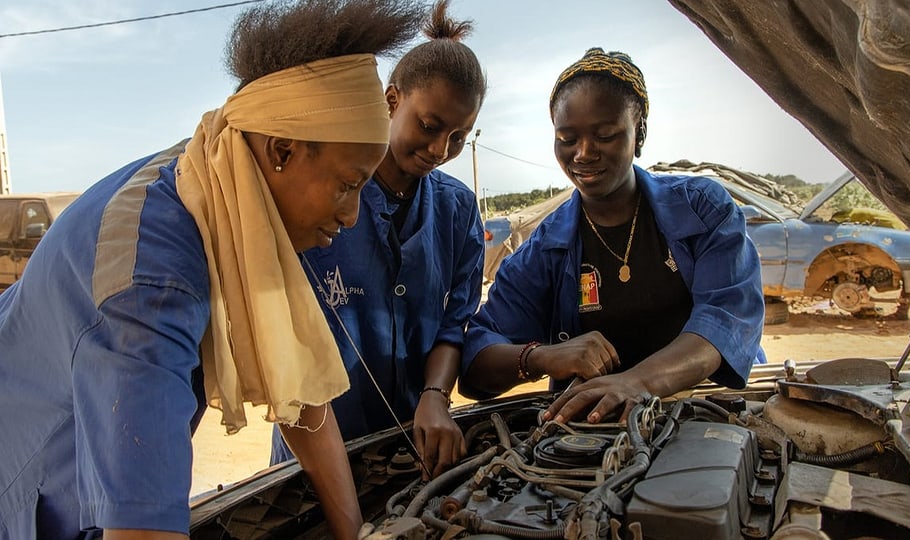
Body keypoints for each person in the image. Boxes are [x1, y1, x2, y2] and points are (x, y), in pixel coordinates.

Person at [0, 1, 424, 539]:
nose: (352, 213)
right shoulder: (151, 285)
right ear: (283, 150)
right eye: (347, 184)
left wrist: (353, 532)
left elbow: (295, 383)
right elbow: (143, 529)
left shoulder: (221, 176)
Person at [459, 48, 766, 425]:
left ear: (640, 134)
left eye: (604, 135)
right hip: (597, 433)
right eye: (567, 138)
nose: (583, 153)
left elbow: (727, 320)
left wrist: (634, 382)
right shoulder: (546, 250)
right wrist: (542, 356)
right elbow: (476, 359)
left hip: (708, 415)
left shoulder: (701, 210)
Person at [270, 0, 486, 481]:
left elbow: (455, 326)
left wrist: (434, 396)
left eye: (458, 138)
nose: (439, 150)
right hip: (313, 462)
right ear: (392, 102)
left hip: (414, 455)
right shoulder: (316, 196)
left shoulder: (458, 210)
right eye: (429, 127)